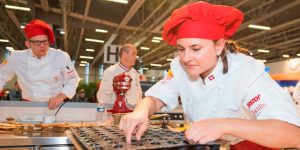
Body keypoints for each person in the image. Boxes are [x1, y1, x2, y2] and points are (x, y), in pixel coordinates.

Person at [118, 1, 300, 149]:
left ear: (219, 46)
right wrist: (141, 111)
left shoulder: (246, 71)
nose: (187, 58)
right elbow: (155, 98)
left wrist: (224, 125)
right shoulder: (180, 67)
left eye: (196, 49)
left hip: (248, 144)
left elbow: (292, 134)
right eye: (181, 49)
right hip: (204, 144)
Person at [0, 19, 79, 110]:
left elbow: (73, 80)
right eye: (37, 42)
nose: (42, 45)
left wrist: (61, 96)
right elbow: (1, 75)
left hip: (55, 105)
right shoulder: (16, 57)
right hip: (28, 106)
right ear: (28, 44)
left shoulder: (61, 57)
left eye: (45, 41)